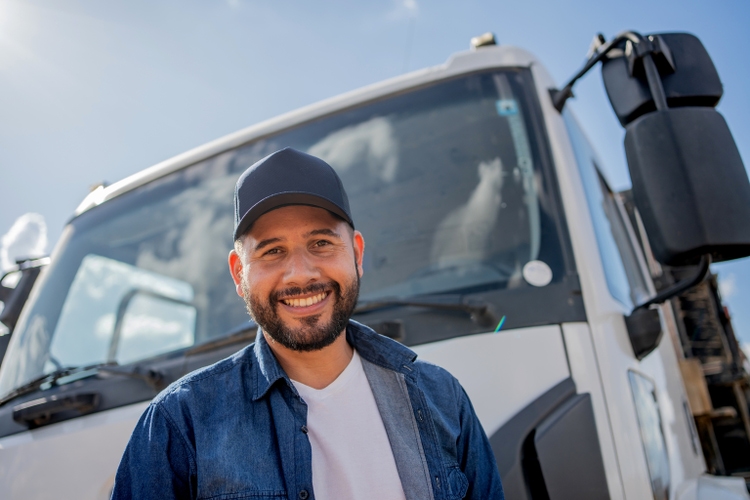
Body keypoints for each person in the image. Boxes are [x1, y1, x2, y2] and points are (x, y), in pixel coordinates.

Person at [111, 148, 504, 500]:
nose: (299, 274)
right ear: (238, 274)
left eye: (321, 244)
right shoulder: (179, 423)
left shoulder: (442, 398)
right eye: (273, 251)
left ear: (356, 253)